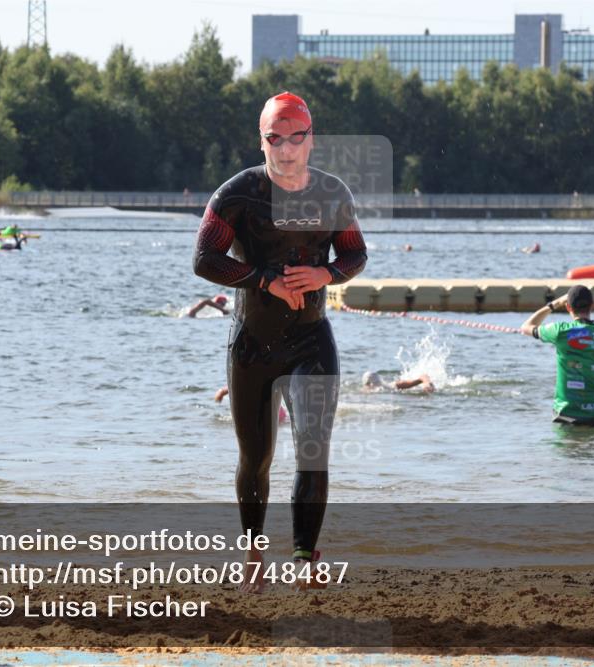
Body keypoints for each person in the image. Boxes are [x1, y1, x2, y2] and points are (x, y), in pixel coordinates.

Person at [193, 91, 367, 592]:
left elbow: (355, 255)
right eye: (275, 139)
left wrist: (325, 273)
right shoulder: (236, 195)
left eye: (296, 138)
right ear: (261, 141)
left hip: (311, 340)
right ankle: (253, 554)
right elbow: (204, 259)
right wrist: (265, 280)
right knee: (256, 457)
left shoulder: (333, 194)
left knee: (313, 448)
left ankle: (304, 560)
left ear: (311, 140)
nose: (286, 149)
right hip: (252, 343)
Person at [520, 285, 594, 426]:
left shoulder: (559, 331)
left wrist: (554, 304)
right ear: (592, 305)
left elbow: (526, 327)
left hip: (566, 414)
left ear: (568, 307)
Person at [362, 371, 435, 393]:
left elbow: (423, 376)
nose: (368, 387)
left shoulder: (396, 385)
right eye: (367, 385)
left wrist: (427, 384)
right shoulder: (365, 392)